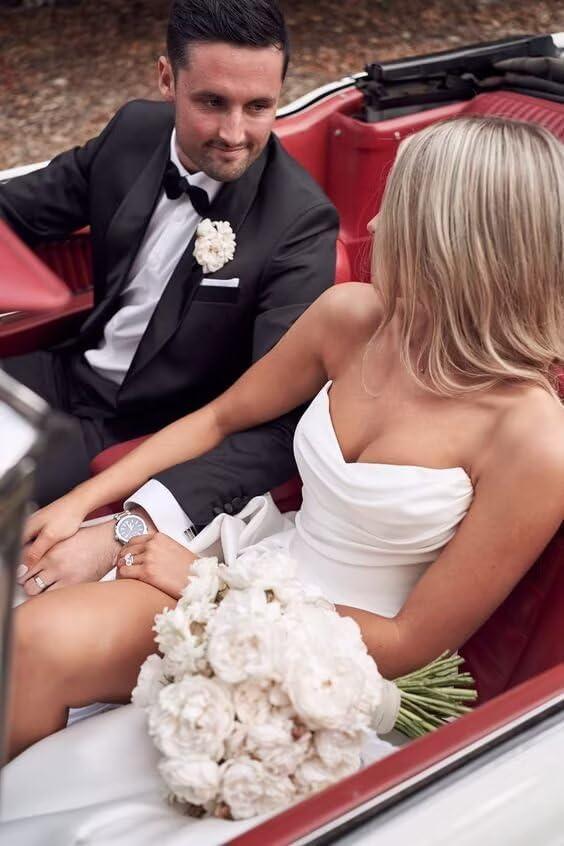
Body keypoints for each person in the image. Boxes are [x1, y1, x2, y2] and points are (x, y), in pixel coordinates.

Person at [3, 115, 563, 843]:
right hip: (255, 565)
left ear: (452, 242)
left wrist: (208, 586)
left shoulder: (536, 441)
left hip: (337, 661)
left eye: (397, 207)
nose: (375, 222)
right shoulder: (353, 317)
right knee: (30, 638)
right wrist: (84, 503)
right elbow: (220, 418)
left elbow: (408, 642)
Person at [0, 0, 339, 594]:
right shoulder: (134, 131)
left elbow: (283, 425)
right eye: (212, 102)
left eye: (258, 107)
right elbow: (17, 209)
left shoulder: (300, 224)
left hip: (144, 434)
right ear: (166, 79)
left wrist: (132, 523)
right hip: (64, 370)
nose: (234, 134)